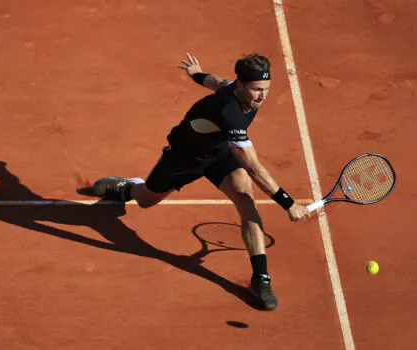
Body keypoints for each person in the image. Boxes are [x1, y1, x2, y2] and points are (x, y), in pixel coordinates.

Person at [90, 53, 311, 310]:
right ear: (241, 86)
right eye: (256, 90)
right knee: (146, 200)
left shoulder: (234, 88)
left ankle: (260, 278)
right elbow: (254, 168)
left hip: (219, 153)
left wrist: (196, 74)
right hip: (185, 158)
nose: (262, 96)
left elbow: (217, 81)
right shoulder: (229, 112)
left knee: (245, 200)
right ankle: (129, 187)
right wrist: (288, 204)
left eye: (266, 89)